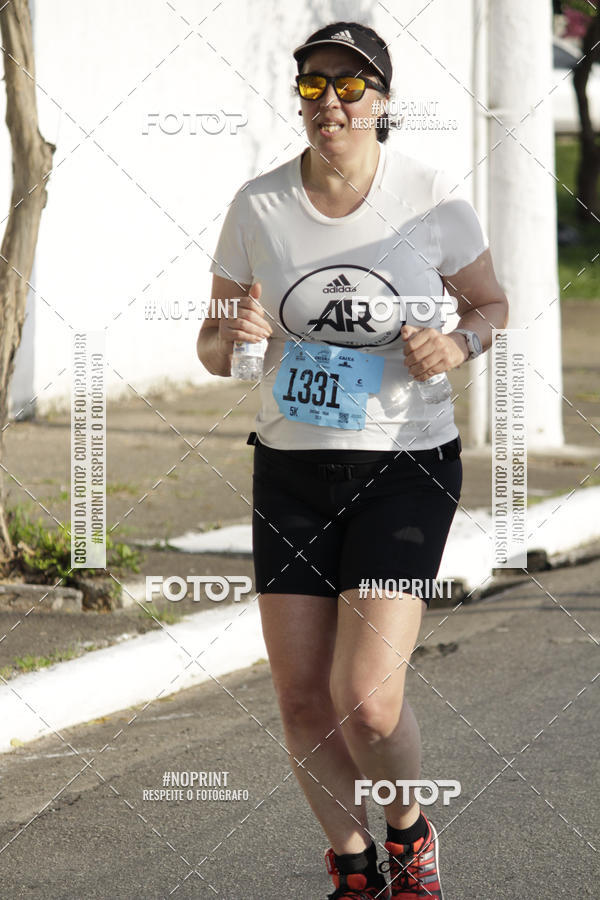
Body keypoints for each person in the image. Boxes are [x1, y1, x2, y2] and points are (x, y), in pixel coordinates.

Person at [198, 20, 508, 900]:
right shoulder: (258, 205)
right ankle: (354, 868)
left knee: (367, 699)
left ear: (382, 100)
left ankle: (409, 834)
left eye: (349, 84)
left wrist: (457, 345)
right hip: (291, 471)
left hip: (404, 469)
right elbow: (213, 347)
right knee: (302, 700)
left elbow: (490, 305)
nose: (329, 102)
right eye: (312, 84)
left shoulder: (430, 198)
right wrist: (233, 335)